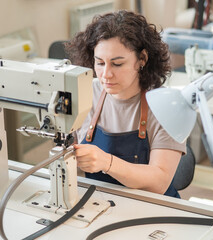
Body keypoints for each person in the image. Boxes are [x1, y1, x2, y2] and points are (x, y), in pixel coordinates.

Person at [65, 10, 186, 198]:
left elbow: (159, 182)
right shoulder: (86, 94)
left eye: (117, 64)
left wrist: (107, 162)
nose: (106, 74)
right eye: (100, 63)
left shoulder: (168, 107)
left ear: (142, 59)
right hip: (102, 200)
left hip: (155, 207)